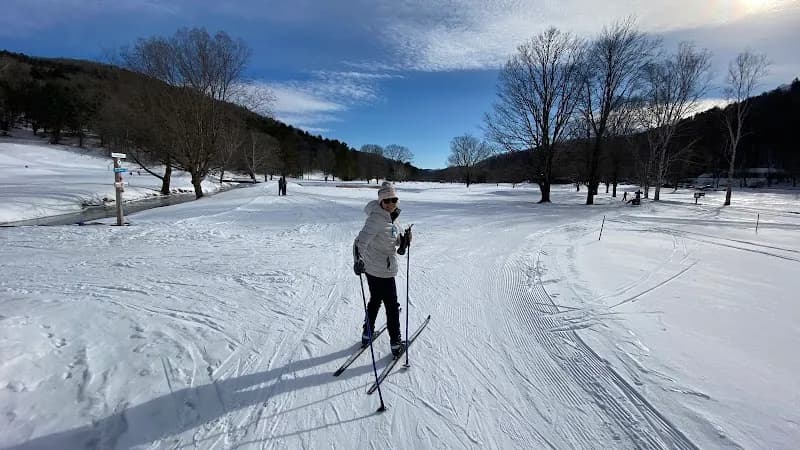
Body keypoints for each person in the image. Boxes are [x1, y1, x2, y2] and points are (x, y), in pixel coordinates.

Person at [353, 181, 412, 358]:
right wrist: (358, 261)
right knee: (392, 306)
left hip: (379, 267)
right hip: (380, 270)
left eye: (394, 199)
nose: (391, 203)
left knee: (375, 301)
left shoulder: (392, 217)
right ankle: (396, 343)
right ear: (380, 202)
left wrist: (404, 242)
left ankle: (367, 334)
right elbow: (359, 242)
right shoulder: (376, 218)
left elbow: (395, 240)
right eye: (387, 200)